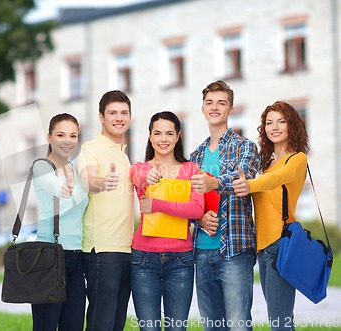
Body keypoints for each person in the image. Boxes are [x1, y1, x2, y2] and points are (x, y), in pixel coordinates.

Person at [190, 80, 260, 331]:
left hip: (235, 251)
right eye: (209, 102)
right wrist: (197, 220)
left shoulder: (246, 147)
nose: (214, 107)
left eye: (221, 102)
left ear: (231, 109)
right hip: (201, 250)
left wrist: (214, 182)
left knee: (238, 325)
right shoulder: (195, 156)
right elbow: (187, 201)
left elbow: (245, 176)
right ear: (203, 109)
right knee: (212, 326)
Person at [232, 101, 308, 331]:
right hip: (263, 247)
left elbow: (276, 179)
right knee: (279, 319)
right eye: (269, 122)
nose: (274, 127)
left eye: (281, 121)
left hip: (280, 244)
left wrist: (250, 184)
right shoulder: (265, 163)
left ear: (291, 125)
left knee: (280, 322)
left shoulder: (296, 159)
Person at [129, 111, 204, 331]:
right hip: (144, 259)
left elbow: (196, 209)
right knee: (149, 328)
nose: (163, 139)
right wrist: (147, 177)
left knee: (177, 328)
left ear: (178, 136)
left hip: (181, 260)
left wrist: (158, 205)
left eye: (169, 133)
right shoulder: (141, 169)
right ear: (150, 137)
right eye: (158, 133)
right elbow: (138, 177)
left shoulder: (191, 170)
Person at [76, 90, 135, 331]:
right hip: (102, 250)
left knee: (116, 323)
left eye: (124, 113)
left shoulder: (124, 155)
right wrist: (102, 183)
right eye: (112, 113)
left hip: (126, 249)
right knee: (101, 323)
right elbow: (88, 180)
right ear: (101, 117)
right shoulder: (90, 149)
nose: (119, 118)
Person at [31, 113, 89, 331]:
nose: (68, 140)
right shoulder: (42, 167)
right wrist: (84, 187)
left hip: (76, 257)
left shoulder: (76, 169)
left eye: (73, 135)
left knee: (73, 325)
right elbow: (61, 193)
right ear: (49, 137)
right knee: (45, 326)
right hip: (49, 256)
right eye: (61, 135)